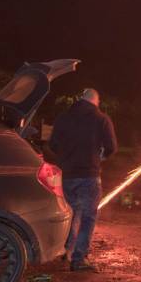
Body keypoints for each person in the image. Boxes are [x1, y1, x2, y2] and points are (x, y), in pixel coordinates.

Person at [49, 88, 117, 271]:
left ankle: (65, 250)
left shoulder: (63, 117)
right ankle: (79, 258)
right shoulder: (101, 119)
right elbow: (111, 146)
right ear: (96, 101)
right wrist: (100, 156)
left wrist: (65, 157)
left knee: (70, 213)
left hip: (65, 175)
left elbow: (52, 144)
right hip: (89, 175)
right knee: (88, 216)